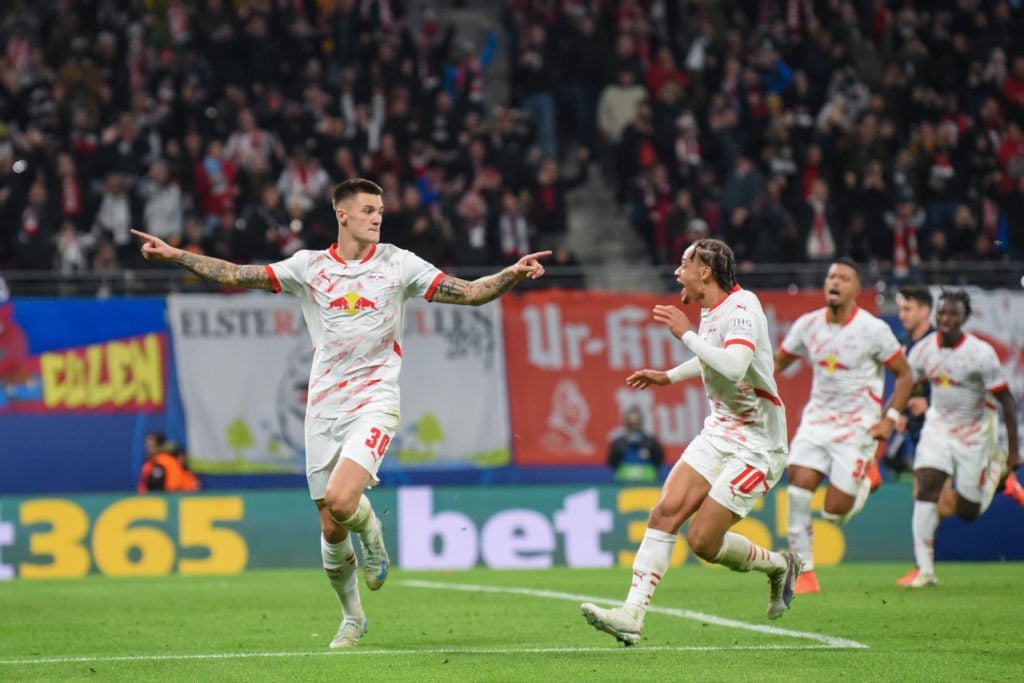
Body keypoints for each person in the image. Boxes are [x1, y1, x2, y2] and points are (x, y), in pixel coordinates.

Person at [131, 178, 550, 649]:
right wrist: (175, 254)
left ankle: (373, 538)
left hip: (375, 401)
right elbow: (234, 274)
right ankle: (353, 618)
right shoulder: (309, 267)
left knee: (343, 501)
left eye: (381, 210)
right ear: (343, 214)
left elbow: (469, 293)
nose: (378, 217)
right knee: (330, 524)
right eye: (369, 209)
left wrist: (512, 273)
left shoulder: (398, 263)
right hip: (323, 406)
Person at [581, 238, 801, 647]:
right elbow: (711, 356)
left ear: (706, 272)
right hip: (719, 431)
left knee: (702, 541)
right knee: (664, 512)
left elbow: (734, 366)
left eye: (685, 264)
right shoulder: (710, 309)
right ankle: (631, 615)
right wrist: (669, 375)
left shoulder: (742, 309)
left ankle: (778, 565)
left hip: (758, 445)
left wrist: (684, 334)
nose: (677, 272)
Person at [774, 258, 913, 595]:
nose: (834, 282)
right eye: (831, 276)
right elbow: (778, 362)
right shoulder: (808, 325)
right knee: (797, 491)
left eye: (844, 278)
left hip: (858, 428)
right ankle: (804, 573)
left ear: (855, 289)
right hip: (817, 421)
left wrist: (889, 419)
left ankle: (867, 477)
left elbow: (906, 375)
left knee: (833, 514)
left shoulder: (873, 330)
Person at [897, 290, 1020, 587]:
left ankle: (996, 471)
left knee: (967, 511)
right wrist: (898, 412)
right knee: (926, 483)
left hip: (975, 433)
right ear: (936, 315)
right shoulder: (923, 350)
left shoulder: (980, 355)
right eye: (943, 313)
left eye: (954, 314)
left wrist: (1014, 452)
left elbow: (1007, 402)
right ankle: (925, 569)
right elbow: (906, 383)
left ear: (965, 318)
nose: (946, 319)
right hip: (938, 426)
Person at [884, 285, 935, 475]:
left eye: (907, 309)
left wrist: (929, 404)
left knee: (932, 489)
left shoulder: (940, 343)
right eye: (900, 309)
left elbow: (955, 387)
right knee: (929, 492)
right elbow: (904, 385)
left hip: (939, 425)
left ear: (925, 311)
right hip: (915, 426)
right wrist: (902, 414)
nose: (901, 315)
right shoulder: (901, 343)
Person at [606, 406, 664, 483]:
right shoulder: (619, 442)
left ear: (640, 422)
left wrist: (649, 451)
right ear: (627, 423)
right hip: (624, 483)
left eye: (636, 422)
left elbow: (659, 459)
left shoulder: (650, 441)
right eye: (631, 423)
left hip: (648, 483)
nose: (634, 425)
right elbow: (611, 461)